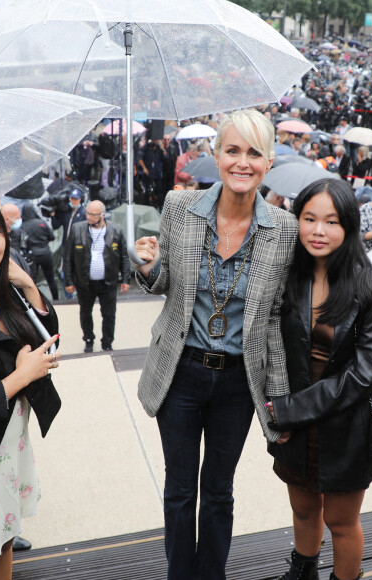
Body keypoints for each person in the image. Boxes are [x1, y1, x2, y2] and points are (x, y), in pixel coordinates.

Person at [132, 109, 298, 580]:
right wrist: (145, 266)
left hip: (238, 383)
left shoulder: (283, 230)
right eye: (232, 150)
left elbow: (274, 325)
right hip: (180, 372)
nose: (241, 162)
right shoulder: (178, 208)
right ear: (216, 154)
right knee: (180, 489)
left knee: (219, 491)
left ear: (268, 162)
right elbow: (164, 282)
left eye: (253, 153)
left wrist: (278, 399)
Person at [266, 178, 372, 580]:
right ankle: (302, 571)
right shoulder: (286, 278)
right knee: (303, 509)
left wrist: (287, 411)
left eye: (331, 221)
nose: (318, 231)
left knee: (341, 522)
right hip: (294, 426)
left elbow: (364, 376)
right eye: (309, 218)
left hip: (344, 428)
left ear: (349, 227)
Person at [0, 188, 61, 579]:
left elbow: (47, 343)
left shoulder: (2, 292)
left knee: (4, 538)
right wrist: (18, 378)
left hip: (6, 450)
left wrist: (27, 286)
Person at [63, 200, 131, 353]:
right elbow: (68, 257)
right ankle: (88, 339)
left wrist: (125, 279)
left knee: (109, 315)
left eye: (93, 214)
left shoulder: (116, 230)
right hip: (84, 282)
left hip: (108, 282)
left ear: (103, 215)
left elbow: (124, 257)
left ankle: (107, 342)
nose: (89, 217)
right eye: (87, 213)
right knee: (85, 312)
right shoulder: (77, 229)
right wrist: (68, 280)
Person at [20, 203, 59, 301]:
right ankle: (56, 299)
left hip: (33, 256)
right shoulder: (41, 223)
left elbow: (23, 242)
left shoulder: (23, 226)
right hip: (46, 253)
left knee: (32, 281)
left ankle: (37, 301)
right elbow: (52, 237)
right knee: (51, 278)